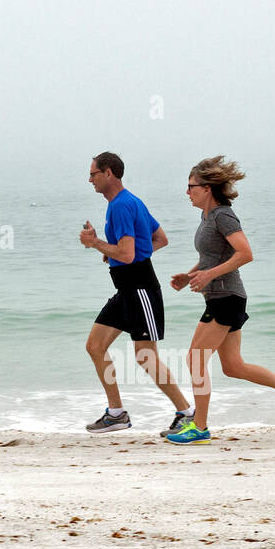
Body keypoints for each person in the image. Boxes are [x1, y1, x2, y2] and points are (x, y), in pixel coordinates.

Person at [166, 156, 275, 444]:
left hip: (227, 298)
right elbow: (211, 257)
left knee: (195, 358)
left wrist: (208, 276)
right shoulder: (206, 217)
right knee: (233, 366)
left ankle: (199, 427)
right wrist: (190, 275)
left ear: (207, 188)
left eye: (191, 186)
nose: (187, 192)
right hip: (221, 297)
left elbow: (245, 253)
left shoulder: (223, 215)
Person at [79, 152, 195, 435]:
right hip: (126, 290)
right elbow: (159, 239)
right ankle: (116, 413)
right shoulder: (131, 201)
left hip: (140, 288)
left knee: (145, 356)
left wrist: (97, 244)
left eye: (93, 173)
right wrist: (116, 255)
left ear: (109, 173)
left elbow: (129, 253)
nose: (90, 179)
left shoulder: (120, 206)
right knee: (95, 346)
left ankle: (187, 412)